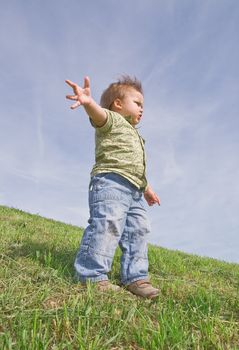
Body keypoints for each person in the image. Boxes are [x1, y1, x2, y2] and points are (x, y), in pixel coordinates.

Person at [65, 75, 160, 299]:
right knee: (108, 224)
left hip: (135, 189)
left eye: (143, 105)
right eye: (137, 103)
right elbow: (99, 116)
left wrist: (147, 189)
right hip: (111, 182)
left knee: (138, 230)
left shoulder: (137, 135)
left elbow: (137, 167)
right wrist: (89, 103)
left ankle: (136, 277)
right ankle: (92, 275)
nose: (142, 109)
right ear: (118, 104)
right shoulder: (112, 120)